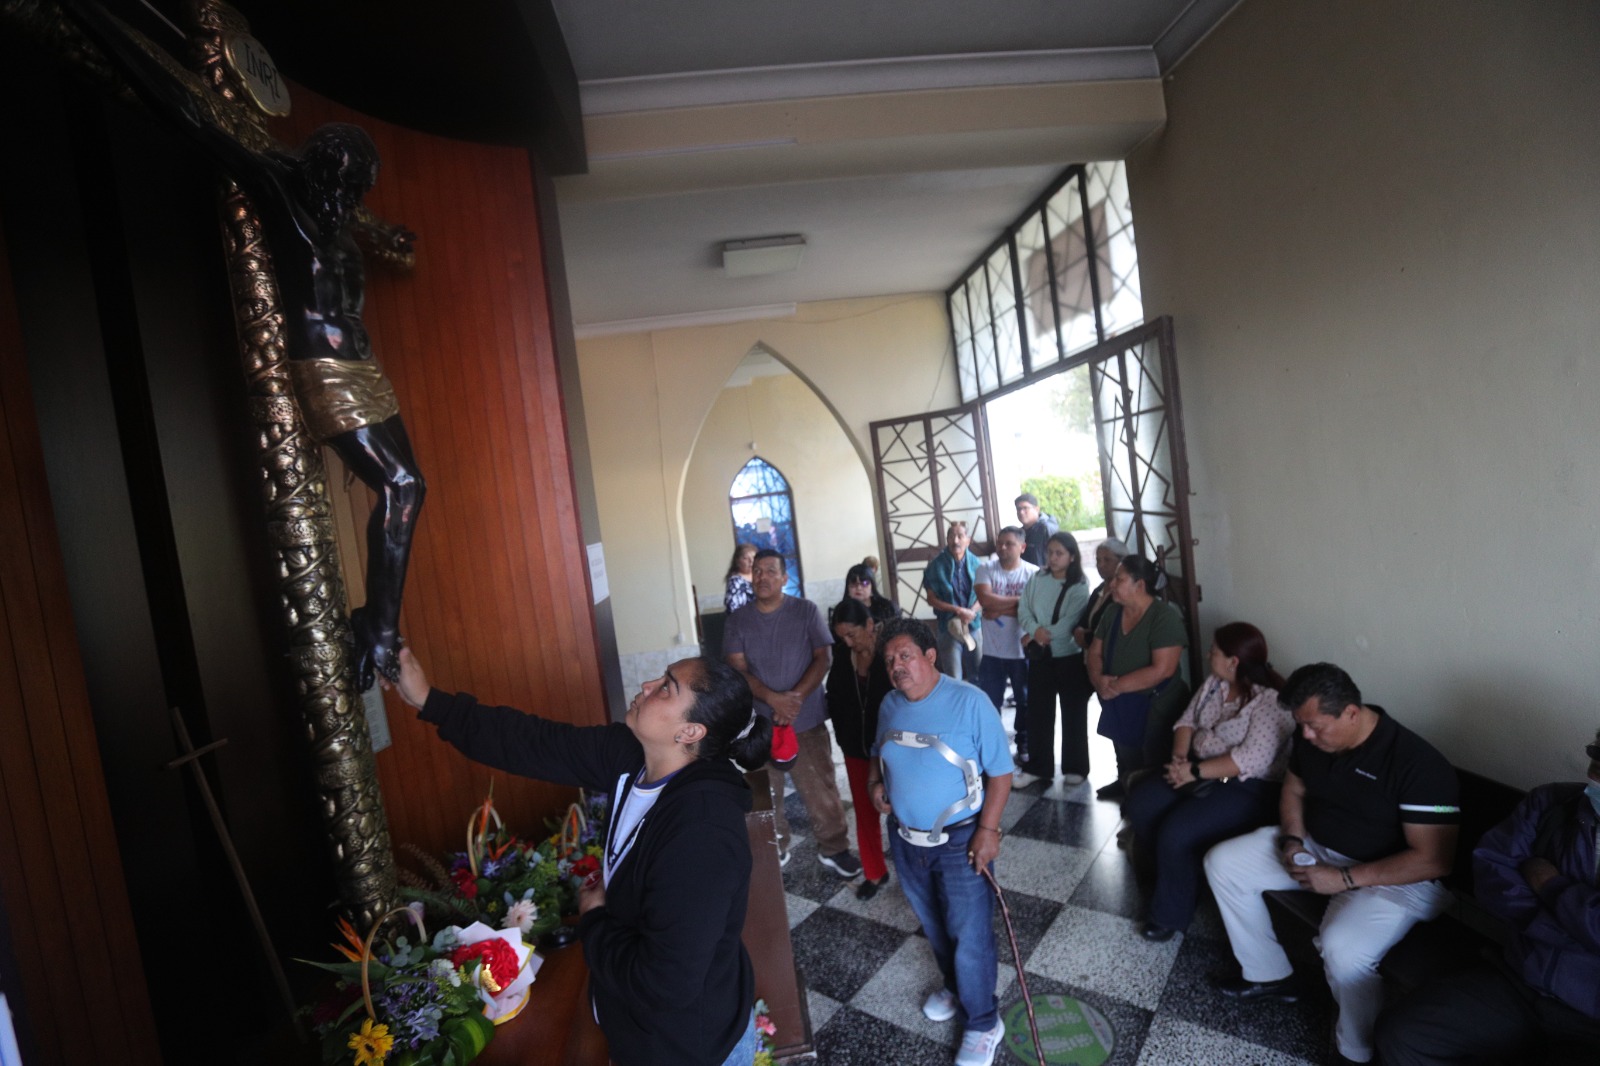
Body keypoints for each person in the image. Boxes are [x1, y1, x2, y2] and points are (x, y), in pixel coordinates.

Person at [63, 0, 424, 689]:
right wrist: (97, 20)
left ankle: (376, 625)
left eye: (359, 187)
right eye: (346, 182)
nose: (350, 196)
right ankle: (378, 630)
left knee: (410, 485)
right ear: (321, 171)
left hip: (364, 368)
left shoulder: (339, 213)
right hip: (327, 370)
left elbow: (371, 223)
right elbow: (188, 113)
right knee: (404, 485)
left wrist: (389, 233)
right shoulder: (283, 191)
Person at [387, 648, 770, 1066]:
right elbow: (532, 741)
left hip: (688, 1049)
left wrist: (594, 919)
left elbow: (665, 985)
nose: (647, 686)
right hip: (640, 1029)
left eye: (666, 688)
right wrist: (429, 699)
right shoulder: (630, 756)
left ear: (690, 732)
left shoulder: (703, 833)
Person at [1203, 663, 1459, 1066]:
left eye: (1315, 726)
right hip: (1320, 850)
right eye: (1301, 725)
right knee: (1224, 863)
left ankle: (1355, 1051)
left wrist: (1343, 878)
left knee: (1344, 950)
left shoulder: (1416, 764)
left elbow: (1433, 860)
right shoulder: (1313, 741)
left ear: (1351, 713)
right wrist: (1292, 840)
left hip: (1397, 876)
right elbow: (1294, 790)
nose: (1305, 735)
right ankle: (1268, 973)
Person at [1375, 729, 1600, 1065]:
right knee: (1403, 1036)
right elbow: (1493, 873)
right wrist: (1575, 931)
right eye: (1597, 759)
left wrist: (1550, 886)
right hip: (1520, 981)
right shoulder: (1552, 803)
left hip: (1590, 1017)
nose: (1597, 777)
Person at [867, 618, 1013, 1066]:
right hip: (906, 838)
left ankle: (983, 1021)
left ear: (930, 656)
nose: (897, 666)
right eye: (889, 660)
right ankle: (956, 986)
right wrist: (875, 785)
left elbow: (1001, 773)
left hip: (960, 838)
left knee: (969, 932)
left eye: (905, 655)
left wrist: (988, 831)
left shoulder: (970, 702)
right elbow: (878, 755)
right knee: (934, 923)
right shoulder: (889, 705)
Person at [1122, 622, 1293, 941]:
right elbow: (1186, 721)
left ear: (1234, 661)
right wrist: (1179, 760)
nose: (1208, 655)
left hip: (1248, 787)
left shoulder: (1270, 701)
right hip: (1196, 769)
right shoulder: (1215, 684)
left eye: (1214, 651)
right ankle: (1178, 879)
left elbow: (1251, 759)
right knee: (1142, 803)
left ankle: (1170, 915)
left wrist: (1195, 772)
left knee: (1178, 830)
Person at [725, 550, 862, 877]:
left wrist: (795, 699)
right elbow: (736, 669)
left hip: (806, 719)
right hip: (758, 723)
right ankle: (773, 847)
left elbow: (823, 657)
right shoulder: (738, 620)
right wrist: (774, 699)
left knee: (821, 787)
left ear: (785, 578)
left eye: (770, 571)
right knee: (763, 790)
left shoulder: (805, 611)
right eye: (757, 571)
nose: (762, 577)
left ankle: (834, 848)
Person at [1085, 554, 1189, 800]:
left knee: (1151, 759)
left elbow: (1163, 669)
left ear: (1139, 585)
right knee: (1124, 750)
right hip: (1119, 700)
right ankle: (1125, 782)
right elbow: (1094, 652)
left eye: (1119, 579)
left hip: (1155, 704)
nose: (1112, 584)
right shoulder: (1112, 612)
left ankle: (1145, 800)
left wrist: (1115, 686)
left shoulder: (1163, 617)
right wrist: (1098, 680)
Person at [827, 598, 894, 899]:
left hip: (893, 748)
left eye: (852, 634)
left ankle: (917, 873)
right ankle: (875, 872)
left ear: (869, 624)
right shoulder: (844, 654)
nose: (848, 642)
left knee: (903, 809)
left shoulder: (890, 649)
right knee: (865, 814)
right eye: (842, 636)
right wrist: (844, 735)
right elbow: (834, 694)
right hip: (856, 748)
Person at [1016, 531, 1090, 784]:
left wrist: (1039, 634)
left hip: (1069, 656)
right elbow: (1024, 608)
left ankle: (1075, 768)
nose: (1053, 557)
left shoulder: (1079, 585)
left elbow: (1070, 623)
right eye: (1050, 552)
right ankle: (1038, 767)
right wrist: (1034, 630)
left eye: (1060, 553)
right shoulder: (1038, 578)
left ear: (1072, 556)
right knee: (1038, 713)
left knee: (1073, 713)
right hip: (1041, 656)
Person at [975, 527, 1038, 766]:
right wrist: (1021, 603)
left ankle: (1024, 744)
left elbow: (1035, 609)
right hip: (992, 653)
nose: (1002, 548)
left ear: (1022, 547)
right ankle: (995, 747)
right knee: (991, 703)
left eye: (1009, 543)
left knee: (1025, 702)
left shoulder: (1033, 573)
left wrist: (999, 609)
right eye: (1000, 543)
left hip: (1022, 651)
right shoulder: (986, 569)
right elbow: (985, 600)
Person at [922, 521, 982, 680]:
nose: (955, 541)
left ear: (968, 540)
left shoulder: (977, 564)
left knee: (978, 674)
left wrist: (972, 612)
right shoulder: (936, 566)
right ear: (947, 539)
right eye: (951, 536)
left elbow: (984, 595)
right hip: (948, 626)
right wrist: (958, 610)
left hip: (973, 624)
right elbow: (931, 599)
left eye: (960, 536)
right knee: (953, 676)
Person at [1072, 537, 1127, 653]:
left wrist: (1086, 638)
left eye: (1107, 560)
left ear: (1121, 562)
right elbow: (1084, 619)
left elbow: (1112, 631)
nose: (1101, 565)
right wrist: (1078, 630)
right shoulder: (1098, 590)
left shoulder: (1123, 594)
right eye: (1098, 560)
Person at [1013, 493, 1059, 569]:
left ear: (1036, 509)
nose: (1021, 512)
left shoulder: (1046, 529)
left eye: (1025, 508)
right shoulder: (1020, 532)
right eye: (1018, 509)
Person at [724, 543, 757, 614]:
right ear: (737, 561)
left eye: (754, 557)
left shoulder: (760, 576)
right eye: (746, 558)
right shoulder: (735, 581)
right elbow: (732, 608)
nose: (751, 561)